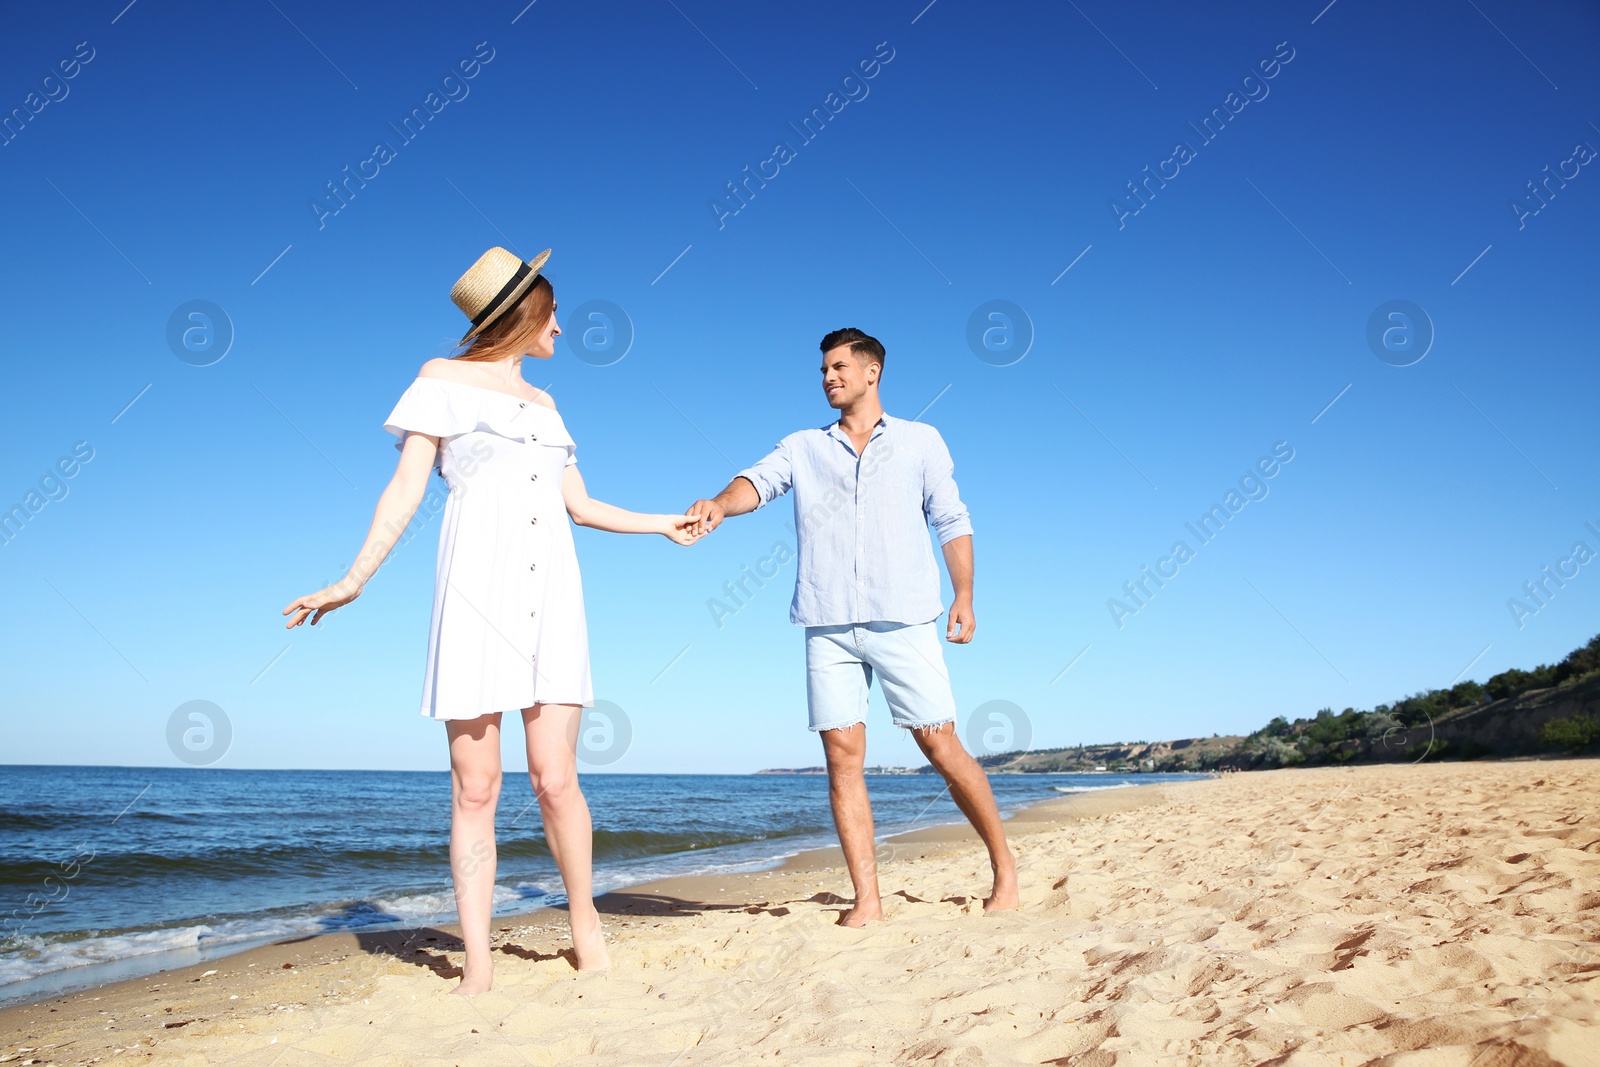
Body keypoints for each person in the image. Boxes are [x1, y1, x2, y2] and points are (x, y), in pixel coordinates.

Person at [283, 246, 703, 992]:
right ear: (522, 315)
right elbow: (406, 490)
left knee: (555, 778)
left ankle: (585, 925)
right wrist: (354, 579)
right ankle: (477, 959)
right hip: (476, 591)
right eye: (552, 316)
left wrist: (664, 523)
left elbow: (580, 505)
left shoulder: (548, 406)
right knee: (476, 786)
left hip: (555, 595)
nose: (562, 331)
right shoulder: (438, 381)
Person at [687, 328, 1017, 926]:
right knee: (842, 758)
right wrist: (718, 503)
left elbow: (951, 517)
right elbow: (755, 484)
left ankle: (1004, 868)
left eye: (839, 367)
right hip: (827, 621)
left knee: (940, 745)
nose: (828, 378)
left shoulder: (921, 441)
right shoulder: (803, 446)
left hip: (905, 618)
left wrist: (964, 594)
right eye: (823, 370)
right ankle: (868, 899)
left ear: (872, 372)